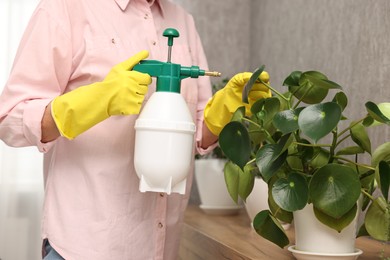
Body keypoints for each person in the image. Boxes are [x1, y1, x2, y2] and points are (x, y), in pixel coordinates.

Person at [0, 0, 270, 259]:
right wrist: (91, 103)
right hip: (82, 248)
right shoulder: (65, 8)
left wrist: (225, 108)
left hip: (162, 248)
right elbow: (11, 119)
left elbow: (199, 134)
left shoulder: (183, 22)